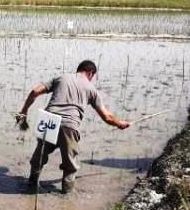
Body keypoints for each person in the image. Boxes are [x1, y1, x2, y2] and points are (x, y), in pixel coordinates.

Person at [17, 60, 130, 194]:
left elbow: (34, 91)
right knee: (70, 165)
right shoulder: (91, 89)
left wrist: (24, 111)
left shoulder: (61, 77)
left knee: (39, 157)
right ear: (90, 73)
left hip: (49, 119)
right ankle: (67, 196)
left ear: (79, 70)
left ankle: (32, 184)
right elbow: (107, 117)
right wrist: (120, 124)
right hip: (69, 125)